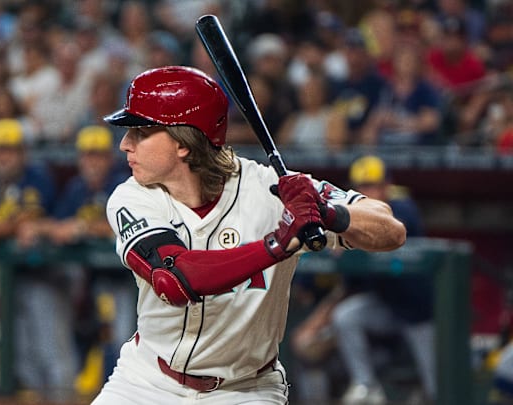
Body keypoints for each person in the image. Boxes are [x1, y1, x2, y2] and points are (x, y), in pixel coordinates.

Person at [91, 65, 406, 404]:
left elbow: (391, 230)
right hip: (147, 381)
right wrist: (277, 245)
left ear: (183, 143)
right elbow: (175, 277)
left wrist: (326, 212)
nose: (124, 144)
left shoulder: (266, 189)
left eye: (140, 132)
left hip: (245, 390)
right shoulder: (133, 195)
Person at [0, 118, 78, 402]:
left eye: (8, 149)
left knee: (52, 355)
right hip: (11, 280)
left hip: (44, 275)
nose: (1, 156)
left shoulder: (37, 175)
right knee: (21, 359)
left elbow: (23, 221)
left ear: (22, 152)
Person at [17, 125, 134, 393]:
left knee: (122, 345)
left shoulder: (124, 184)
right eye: (87, 155)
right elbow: (60, 225)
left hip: (126, 280)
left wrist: (83, 227)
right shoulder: (76, 188)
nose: (92, 162)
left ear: (108, 158)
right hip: (92, 282)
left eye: (98, 155)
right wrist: (42, 227)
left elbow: (127, 225)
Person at [332, 155, 433, 405]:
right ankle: (366, 385)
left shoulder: (401, 206)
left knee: (437, 387)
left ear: (386, 185)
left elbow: (387, 233)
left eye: (372, 185)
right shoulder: (355, 209)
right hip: (387, 307)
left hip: (420, 313)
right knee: (346, 316)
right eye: (361, 186)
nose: (366, 191)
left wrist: (349, 238)